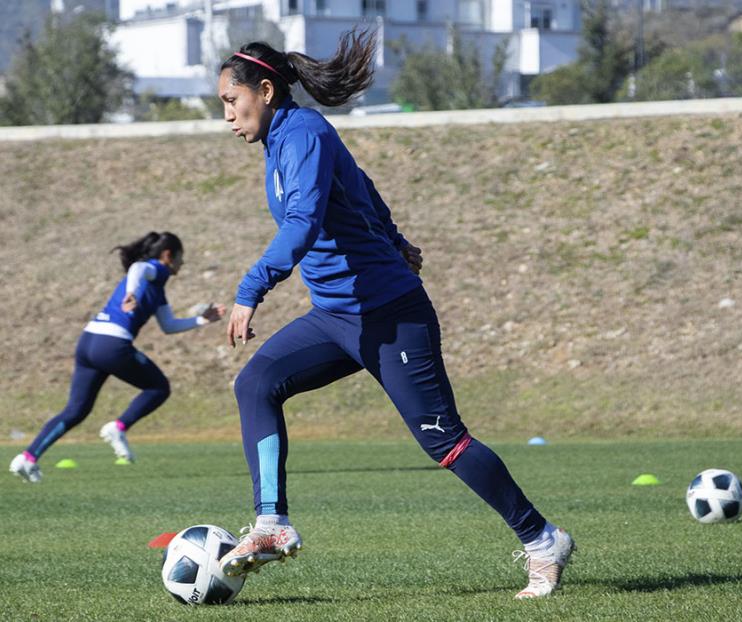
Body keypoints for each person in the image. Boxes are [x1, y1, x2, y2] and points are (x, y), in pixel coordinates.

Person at [216, 31, 575, 599]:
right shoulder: (280, 143)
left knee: (444, 441)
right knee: (256, 382)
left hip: (390, 315)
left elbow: (304, 222)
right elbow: (361, 189)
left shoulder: (304, 132)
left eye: (231, 103)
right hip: (335, 316)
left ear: (264, 90)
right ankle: (270, 524)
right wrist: (395, 237)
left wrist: (251, 288)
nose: (228, 117)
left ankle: (541, 539)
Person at [9, 232, 226, 483]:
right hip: (111, 344)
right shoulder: (156, 270)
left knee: (76, 410)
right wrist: (131, 292)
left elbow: (169, 325)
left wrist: (202, 320)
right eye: (180, 257)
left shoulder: (157, 290)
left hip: (89, 340)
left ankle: (27, 457)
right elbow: (139, 267)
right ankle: (118, 427)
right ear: (168, 256)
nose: (182, 263)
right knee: (158, 387)